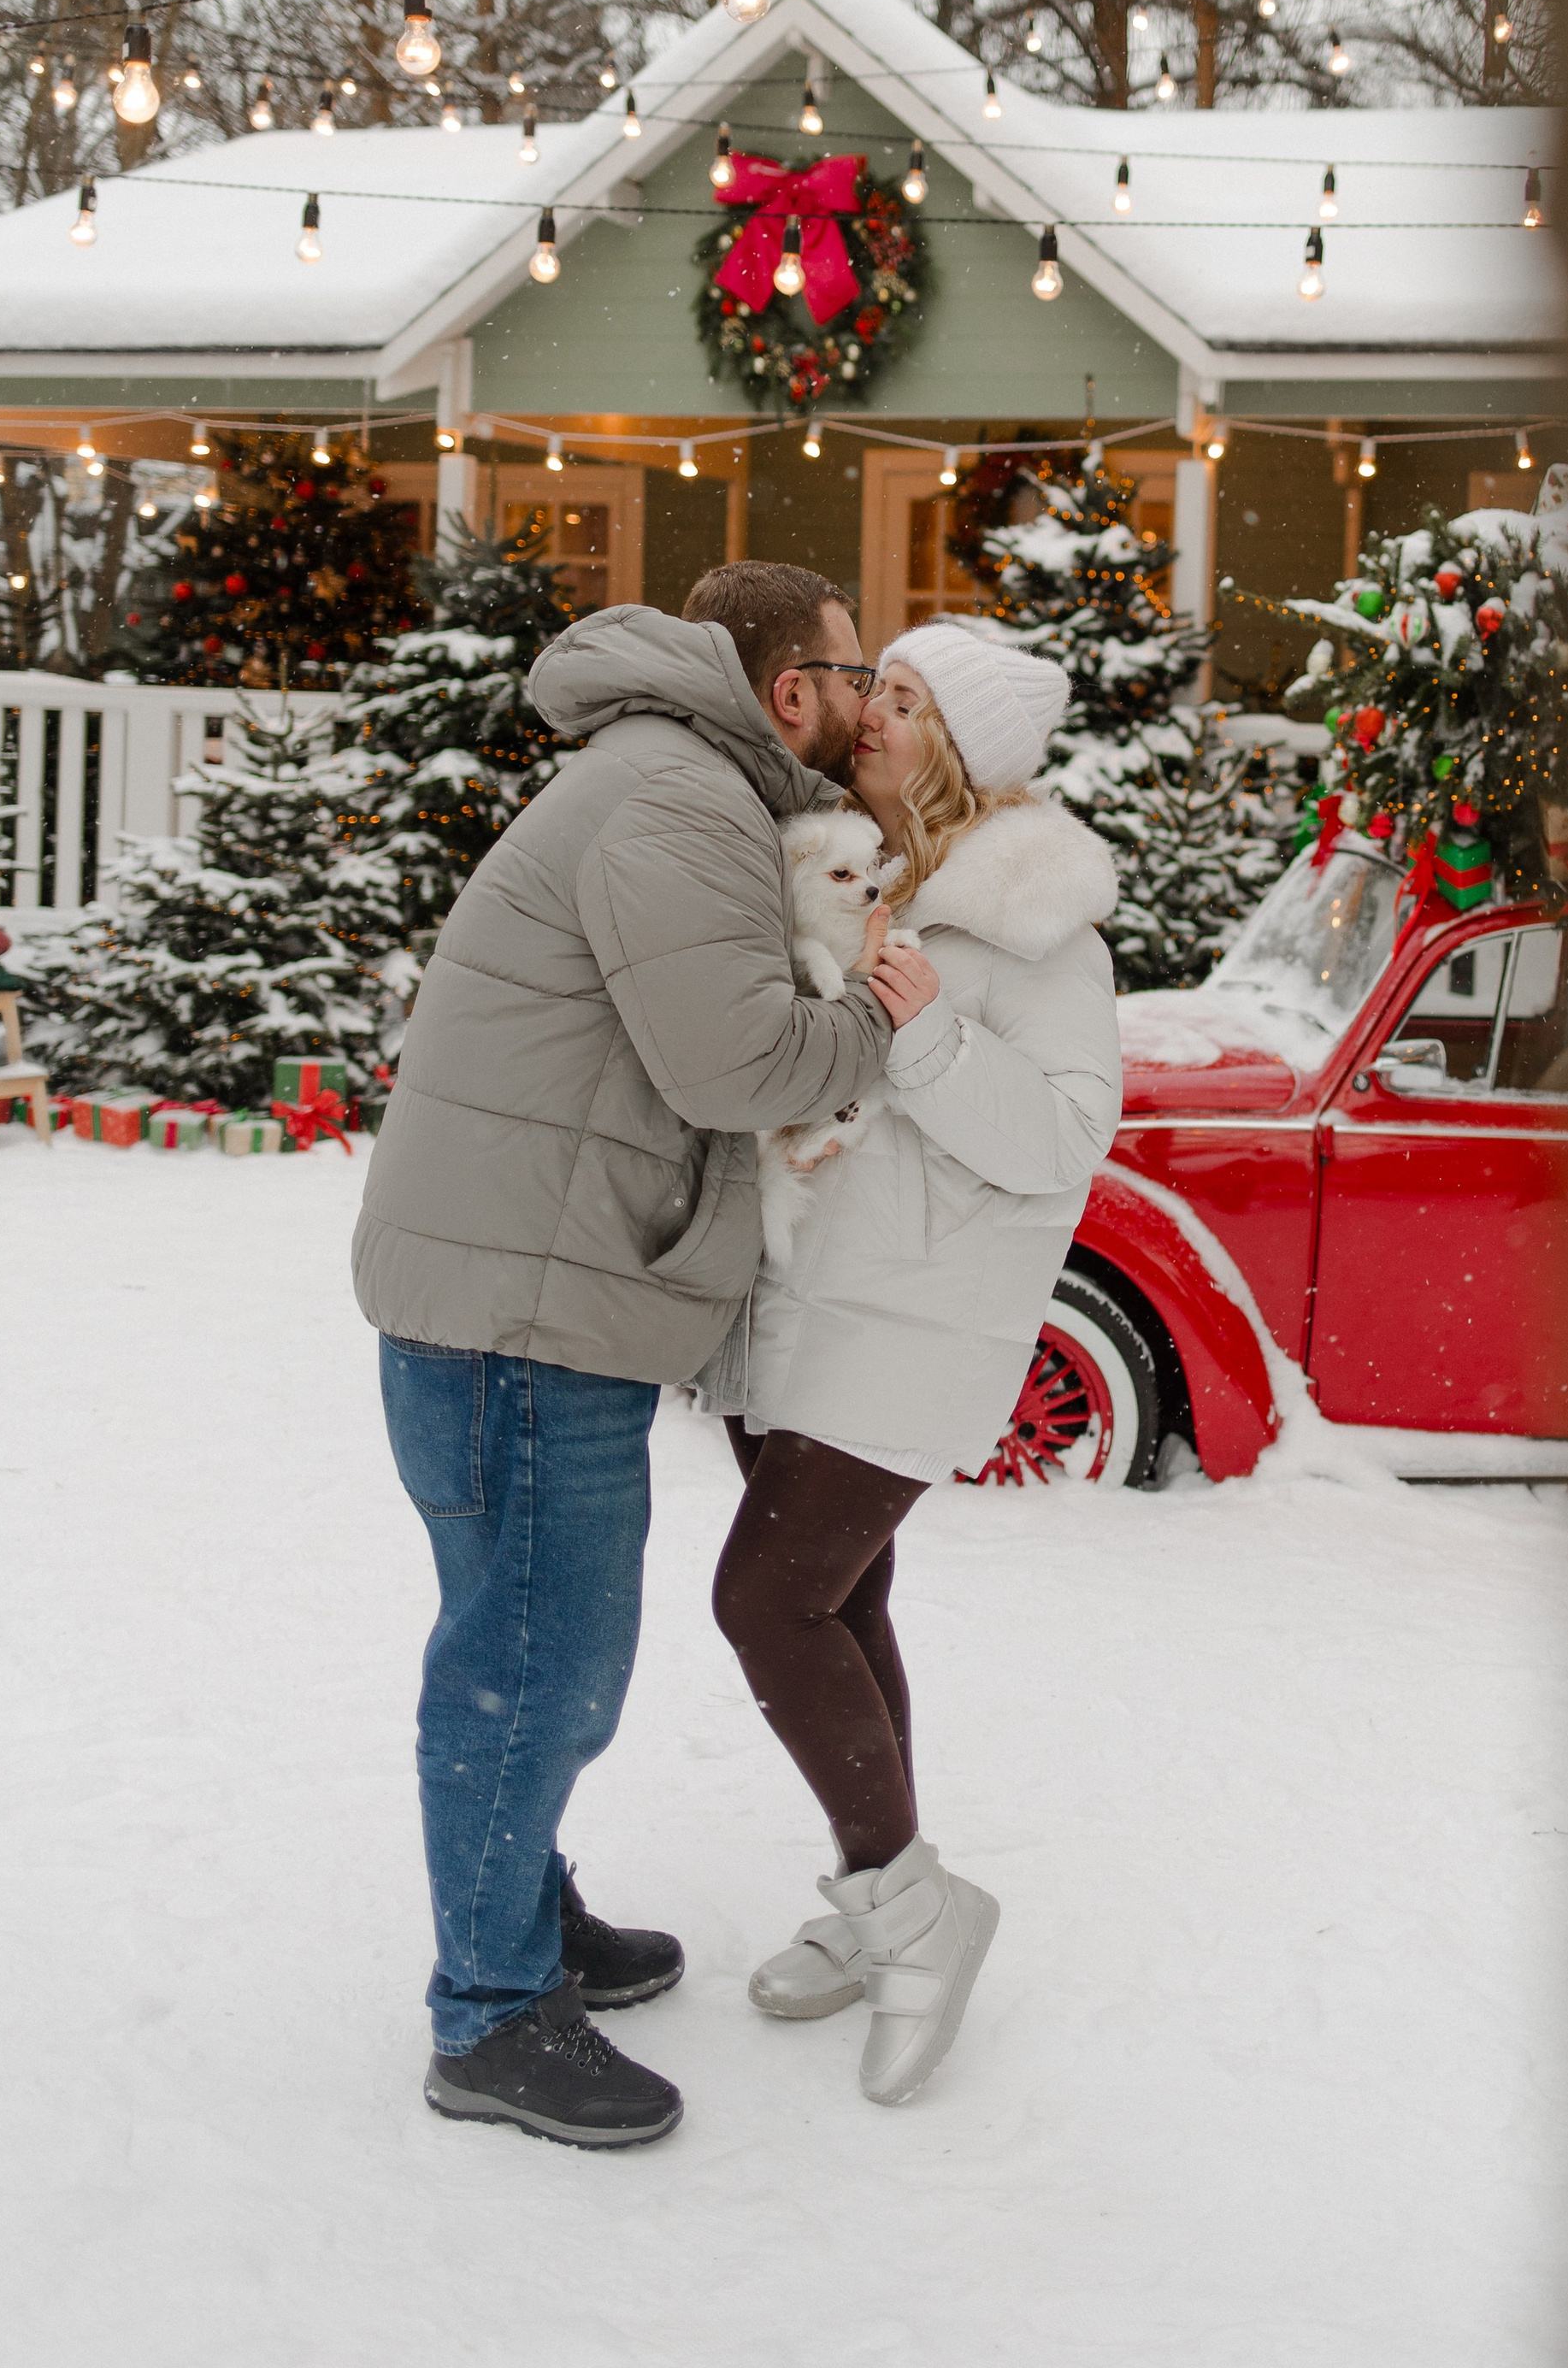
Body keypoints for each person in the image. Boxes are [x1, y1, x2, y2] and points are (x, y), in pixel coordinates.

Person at [354, 561, 921, 2151]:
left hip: (526, 1287)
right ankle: (489, 2013)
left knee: (531, 1647)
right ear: (788, 691)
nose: (870, 700)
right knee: (536, 1664)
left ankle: (521, 1924)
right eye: (852, 671)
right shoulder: (682, 803)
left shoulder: (664, 778)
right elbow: (738, 1059)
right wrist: (888, 1021)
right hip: (522, 1308)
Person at [709, 616, 1124, 2106]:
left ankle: (914, 1907)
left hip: (915, 1323)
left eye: (901, 696)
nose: (867, 710)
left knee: (763, 1600)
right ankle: (878, 1893)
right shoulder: (861, 878)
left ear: (963, 741)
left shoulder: (1035, 927)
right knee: (843, 1599)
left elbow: (1068, 1145)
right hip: (804, 1304)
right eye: (870, 686)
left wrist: (936, 1038)